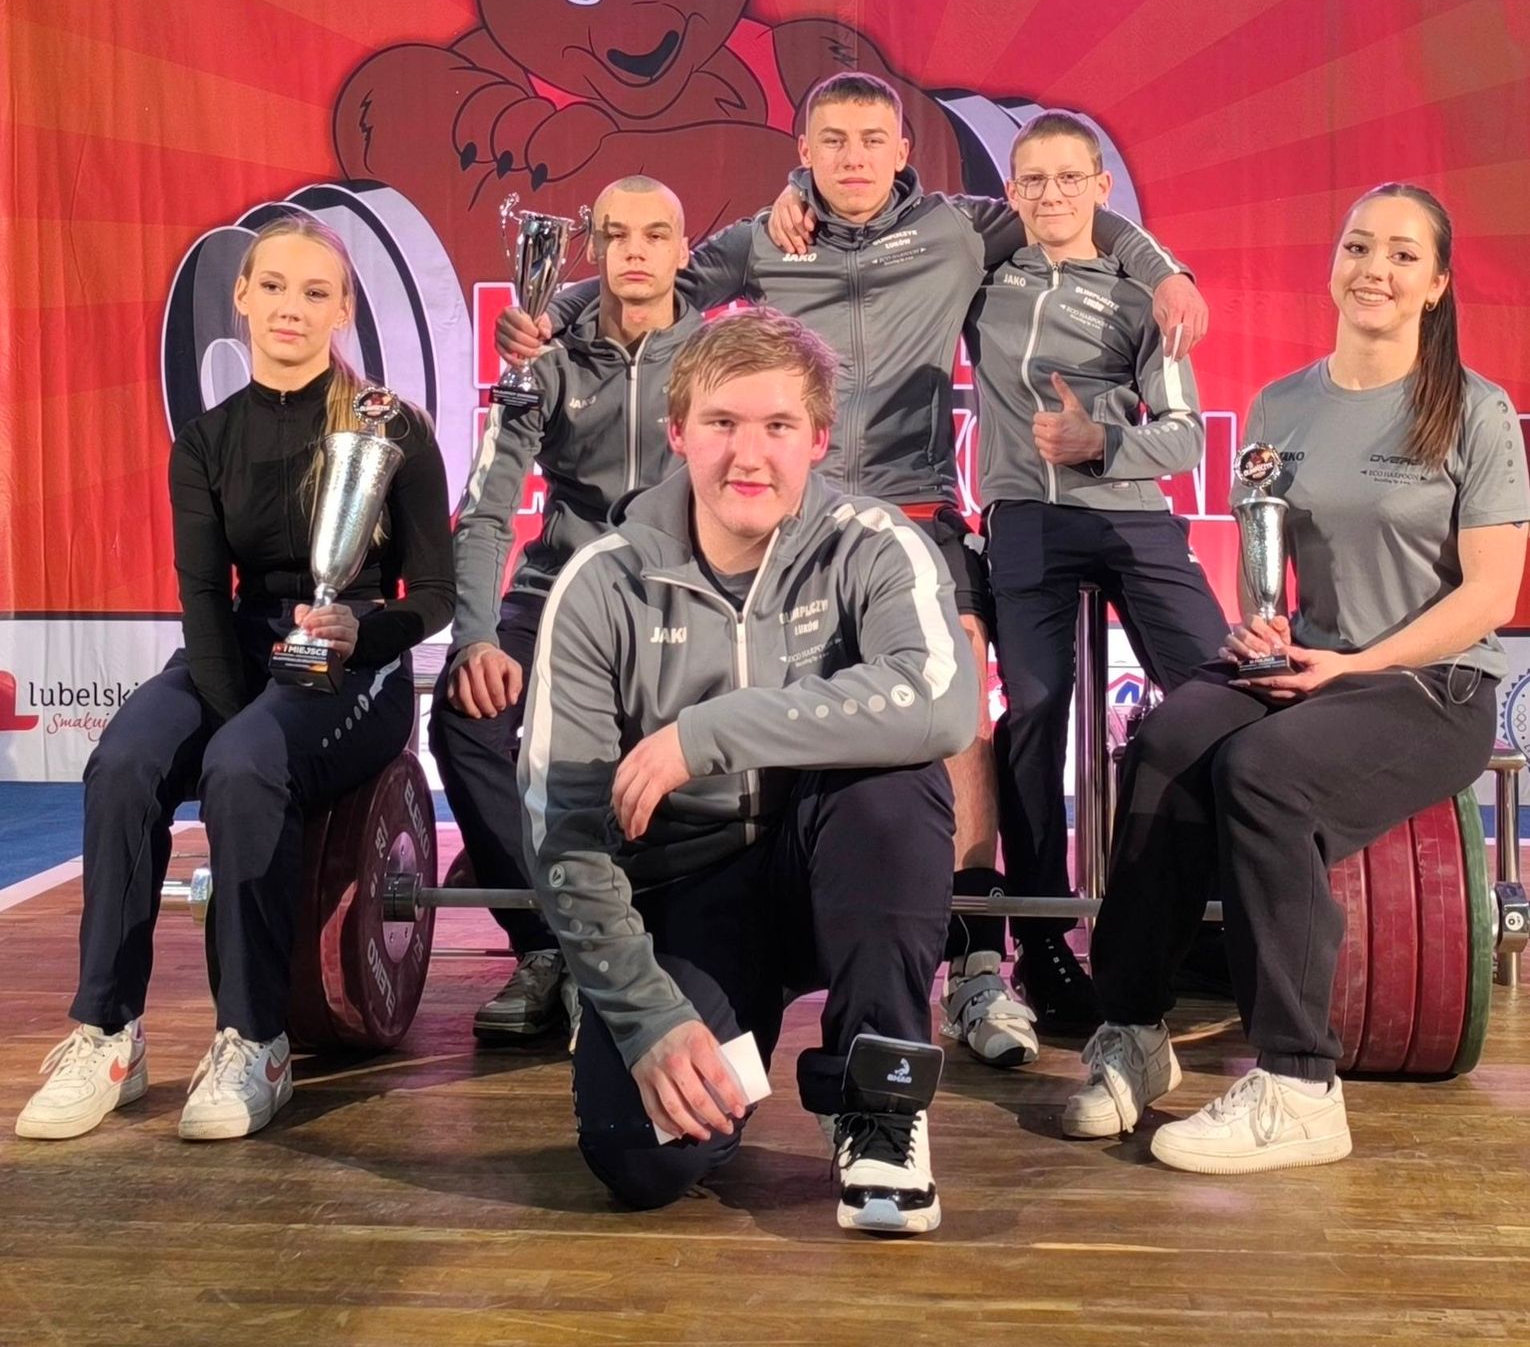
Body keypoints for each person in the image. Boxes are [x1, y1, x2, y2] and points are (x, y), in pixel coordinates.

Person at [501, 72, 1207, 1072]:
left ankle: (976, 961)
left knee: (960, 689)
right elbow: (650, 287)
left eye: (873, 139)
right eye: (832, 141)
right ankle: (668, 929)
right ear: (804, 151)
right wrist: (550, 314)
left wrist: (1166, 271)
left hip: (914, 510)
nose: (854, 158)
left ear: (902, 148)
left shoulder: (960, 229)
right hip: (793, 515)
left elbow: (1073, 218)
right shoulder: (765, 238)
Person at [1063, 184, 1528, 1174]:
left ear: (1437, 284)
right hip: (1310, 658)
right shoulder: (1281, 404)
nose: (1375, 269)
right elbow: (1266, 552)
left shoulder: (1475, 411)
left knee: (1262, 772)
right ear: (1334, 264)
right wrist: (1266, 625)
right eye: (1359, 247)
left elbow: (1491, 594)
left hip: (1429, 685)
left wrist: (1353, 664)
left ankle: (1300, 1084)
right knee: (1165, 741)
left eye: (1403, 254)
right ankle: (1134, 1030)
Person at [519, 308, 976, 1234]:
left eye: (777, 426)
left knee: (894, 785)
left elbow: (943, 705)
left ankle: (880, 1105)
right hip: (690, 893)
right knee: (643, 1158)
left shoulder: (875, 542)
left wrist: (707, 734)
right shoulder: (601, 583)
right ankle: (727, 1031)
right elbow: (563, 834)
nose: (748, 455)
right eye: (722, 423)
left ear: (819, 439)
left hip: (832, 867)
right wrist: (648, 1016)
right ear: (678, 431)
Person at [17, 217, 453, 1143]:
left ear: (343, 309)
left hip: (354, 661)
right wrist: (228, 716)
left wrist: (363, 633)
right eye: (275, 287)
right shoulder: (206, 441)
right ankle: (109, 1034)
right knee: (126, 762)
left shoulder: (392, 427)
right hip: (244, 648)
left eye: (316, 292)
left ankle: (256, 1041)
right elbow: (206, 600)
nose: (293, 307)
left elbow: (435, 597)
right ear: (243, 297)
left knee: (248, 764)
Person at [964, 111, 1228, 1031]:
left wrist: (1101, 444)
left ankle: (1210, 920)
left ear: (1101, 187)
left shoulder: (1143, 297)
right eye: (1032, 180)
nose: (1051, 196)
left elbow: (1186, 437)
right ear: (1011, 191)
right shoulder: (982, 278)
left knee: (1218, 693)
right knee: (1034, 711)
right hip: (1025, 516)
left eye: (1069, 179)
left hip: (1129, 514)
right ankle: (1040, 943)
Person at [431, 176, 699, 1043]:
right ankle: (550, 944)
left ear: (682, 251)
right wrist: (475, 638)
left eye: (654, 234)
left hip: (678, 595)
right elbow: (485, 511)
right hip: (557, 589)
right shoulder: (544, 355)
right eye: (615, 234)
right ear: (592, 248)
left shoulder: (714, 357)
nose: (635, 251)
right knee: (466, 717)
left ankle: (654, 941)